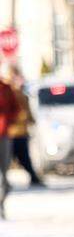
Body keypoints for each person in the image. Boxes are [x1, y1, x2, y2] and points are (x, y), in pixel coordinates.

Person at [4, 67, 44, 188]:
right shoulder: (8, 91)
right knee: (9, 159)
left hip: (19, 132)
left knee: (23, 157)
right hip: (8, 132)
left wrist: (31, 120)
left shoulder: (20, 93)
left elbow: (26, 111)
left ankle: (34, 178)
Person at [0, 75, 19, 219]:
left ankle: (2, 203)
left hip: (3, 135)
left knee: (4, 173)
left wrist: (7, 121)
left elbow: (16, 108)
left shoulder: (6, 88)